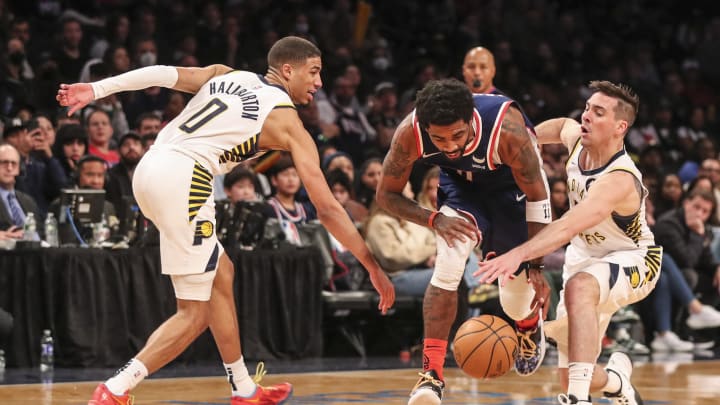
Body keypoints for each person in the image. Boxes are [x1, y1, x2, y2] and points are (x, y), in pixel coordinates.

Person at [57, 35, 395, 405]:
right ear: (287, 70)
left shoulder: (225, 75)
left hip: (150, 168)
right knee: (195, 312)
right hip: (187, 179)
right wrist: (371, 264)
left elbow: (160, 74)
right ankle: (115, 390)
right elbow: (327, 207)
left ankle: (243, 388)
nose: (318, 83)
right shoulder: (288, 123)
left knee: (223, 272)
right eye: (313, 72)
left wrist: (95, 89)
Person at [476, 81, 661, 405]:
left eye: (598, 112)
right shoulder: (578, 141)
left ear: (620, 127)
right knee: (577, 371)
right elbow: (563, 125)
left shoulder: (619, 179)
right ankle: (617, 383)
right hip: (584, 258)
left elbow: (567, 226)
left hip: (633, 259)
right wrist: (527, 140)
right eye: (588, 107)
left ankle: (577, 400)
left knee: (578, 287)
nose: (586, 116)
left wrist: (517, 255)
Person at [376, 78, 550, 405]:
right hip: (462, 190)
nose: (450, 147)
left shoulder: (507, 131)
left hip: (512, 192)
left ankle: (528, 325)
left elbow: (538, 197)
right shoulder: (410, 133)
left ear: (471, 119)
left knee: (514, 291)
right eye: (439, 139)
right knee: (449, 259)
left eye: (457, 136)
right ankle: (431, 375)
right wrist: (434, 219)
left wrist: (536, 263)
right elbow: (385, 195)